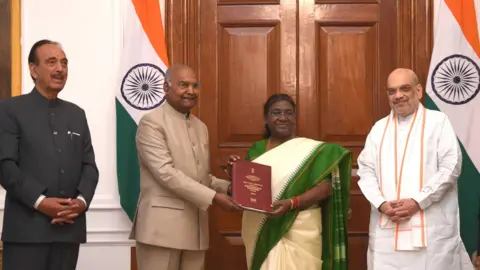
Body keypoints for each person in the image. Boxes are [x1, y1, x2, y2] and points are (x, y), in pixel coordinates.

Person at [357, 68, 474, 270]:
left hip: (431, 235)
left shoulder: (438, 122)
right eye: (391, 91)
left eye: (404, 88)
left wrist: (417, 201)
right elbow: (366, 171)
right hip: (387, 234)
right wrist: (381, 203)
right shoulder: (378, 129)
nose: (398, 95)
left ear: (418, 91)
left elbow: (451, 167)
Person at [130, 64, 242, 270]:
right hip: (161, 231)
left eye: (195, 85)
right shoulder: (151, 123)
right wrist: (214, 198)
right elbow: (166, 173)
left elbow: (203, 177)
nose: (191, 91)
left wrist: (229, 188)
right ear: (166, 87)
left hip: (195, 230)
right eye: (183, 85)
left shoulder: (201, 127)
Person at [0, 39, 99, 270]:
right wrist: (41, 202)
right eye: (52, 62)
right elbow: (5, 165)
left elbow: (89, 166)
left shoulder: (77, 114)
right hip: (26, 232)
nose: (60, 69)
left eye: (64, 63)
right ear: (33, 70)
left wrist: (81, 202)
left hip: (69, 229)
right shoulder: (10, 110)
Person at [226, 93, 352, 270]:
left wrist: (294, 203)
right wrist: (235, 174)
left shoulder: (310, 151)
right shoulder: (257, 149)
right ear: (266, 118)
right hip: (263, 226)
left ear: (295, 117)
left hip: (302, 225)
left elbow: (326, 188)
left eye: (289, 113)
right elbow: (247, 191)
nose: (283, 117)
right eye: (276, 112)